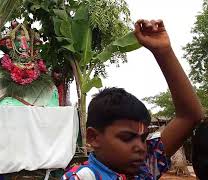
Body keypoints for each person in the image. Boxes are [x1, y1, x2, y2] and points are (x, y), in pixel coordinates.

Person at [61, 19, 204, 179]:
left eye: (143, 139)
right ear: (94, 137)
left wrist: (163, 51)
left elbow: (190, 116)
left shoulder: (145, 166)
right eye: (127, 138)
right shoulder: (82, 177)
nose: (141, 148)